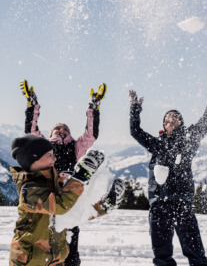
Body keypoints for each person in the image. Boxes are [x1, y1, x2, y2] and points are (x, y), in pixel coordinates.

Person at [129, 72, 207, 266]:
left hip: (181, 203)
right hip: (158, 204)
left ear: (181, 122)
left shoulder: (189, 140)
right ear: (164, 124)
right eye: (168, 117)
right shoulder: (157, 144)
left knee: (196, 253)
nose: (171, 118)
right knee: (162, 256)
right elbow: (135, 131)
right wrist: (134, 108)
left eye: (176, 116)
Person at [19, 80, 124, 266]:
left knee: (70, 239)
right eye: (57, 128)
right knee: (44, 238)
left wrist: (94, 107)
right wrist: (32, 104)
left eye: (65, 128)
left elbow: (90, 135)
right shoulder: (44, 145)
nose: (61, 130)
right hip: (48, 193)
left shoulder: (75, 147)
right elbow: (31, 130)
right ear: (51, 132)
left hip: (71, 195)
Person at [9, 134, 105, 265]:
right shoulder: (30, 190)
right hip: (29, 261)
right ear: (34, 158)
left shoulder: (56, 183)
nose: (55, 158)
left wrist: (102, 206)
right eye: (50, 155)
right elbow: (59, 206)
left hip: (54, 260)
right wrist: (81, 176)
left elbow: (75, 212)